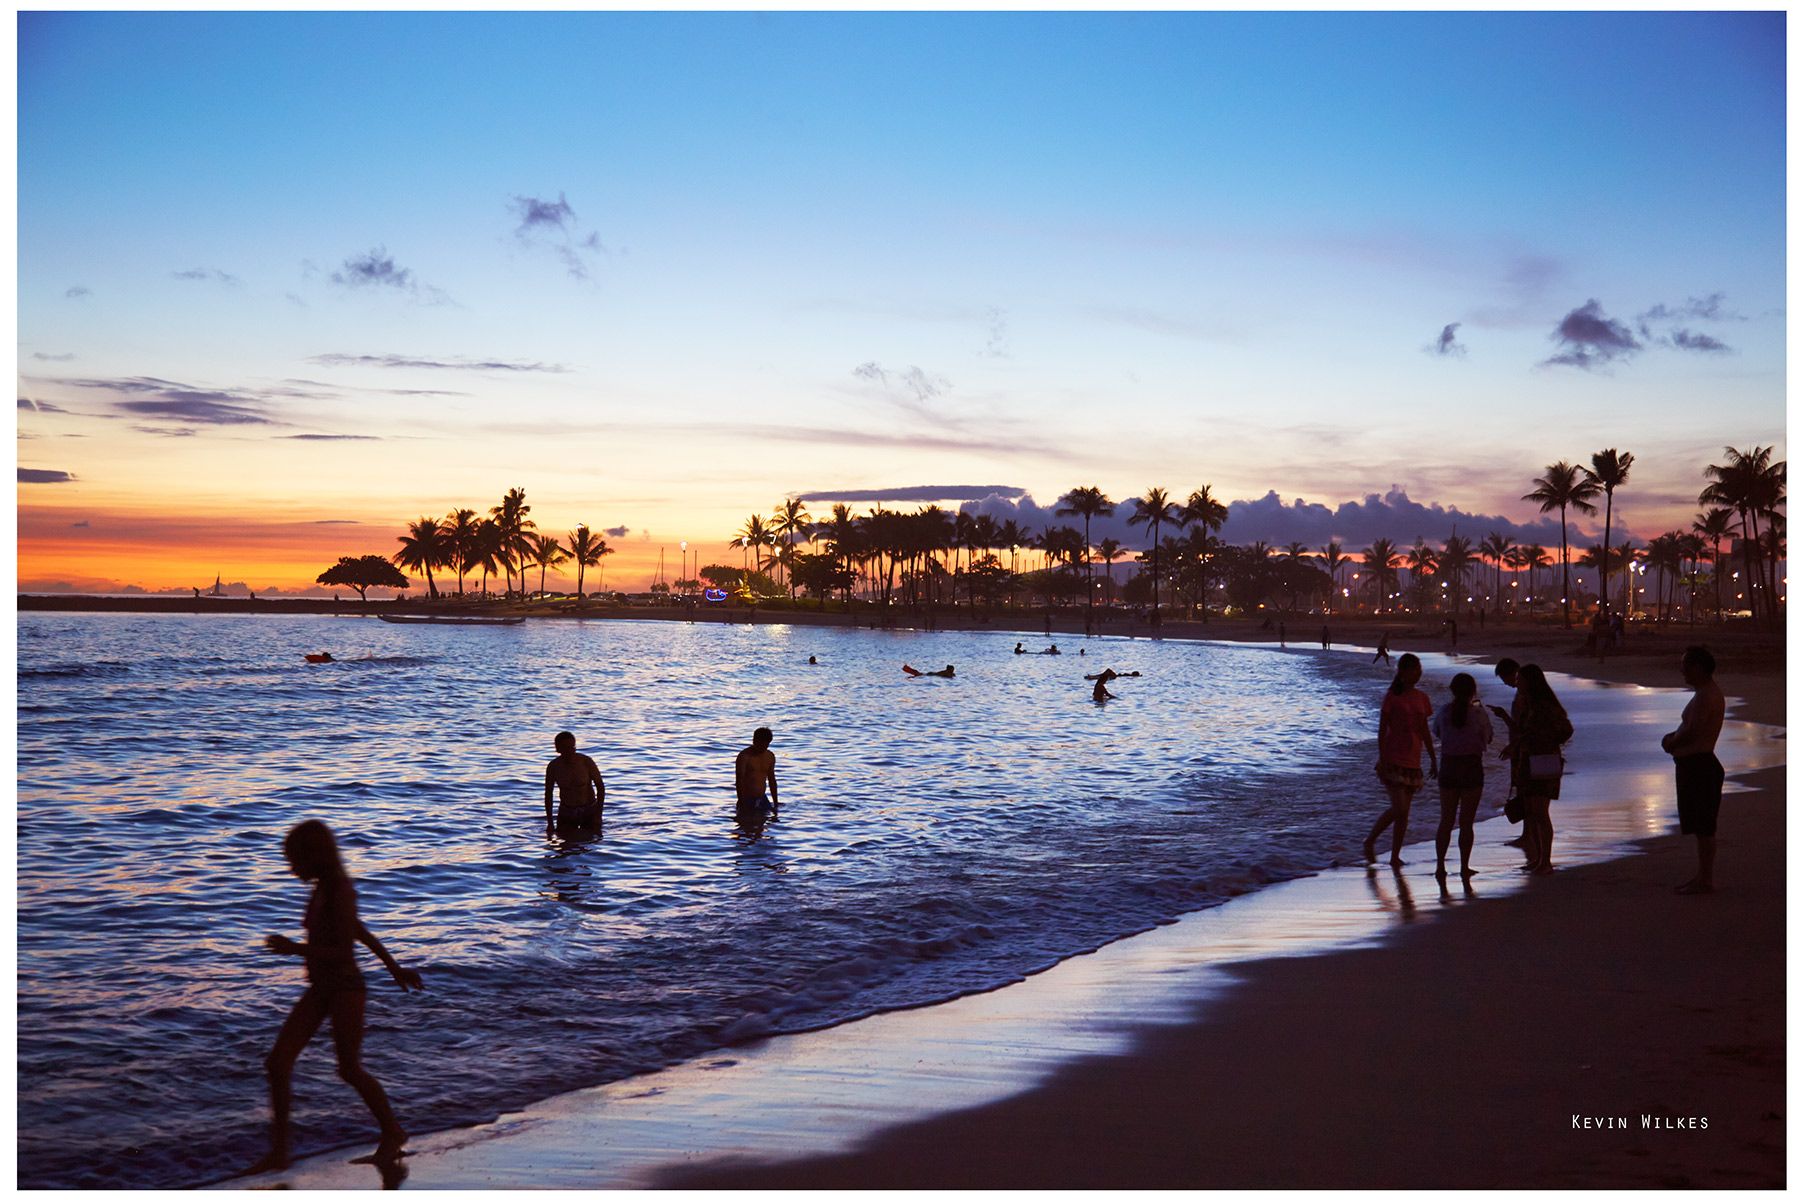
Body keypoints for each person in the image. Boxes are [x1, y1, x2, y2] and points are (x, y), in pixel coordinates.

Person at [252, 820, 423, 1173]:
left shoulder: (340, 889)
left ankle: (393, 1130)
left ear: (314, 856)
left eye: (295, 860)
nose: (291, 868)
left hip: (345, 988)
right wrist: (394, 967)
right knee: (278, 1063)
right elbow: (358, 929)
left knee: (348, 1068)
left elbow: (343, 950)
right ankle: (279, 1152)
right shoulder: (325, 888)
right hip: (322, 989)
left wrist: (294, 949)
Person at [1661, 645, 1726, 894]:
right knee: (1702, 827)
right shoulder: (1705, 693)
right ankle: (1703, 876)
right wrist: (1674, 739)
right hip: (1696, 764)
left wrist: (1671, 742)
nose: (1682, 671)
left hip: (1700, 765)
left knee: (1704, 827)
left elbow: (1692, 731)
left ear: (1698, 668)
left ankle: (1705, 879)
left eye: (1686, 666)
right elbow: (1691, 728)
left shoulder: (1706, 695)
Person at [1363, 653, 1436, 868]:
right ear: (1403, 672)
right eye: (1415, 669)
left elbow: (1424, 730)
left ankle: (1395, 856)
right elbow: (1382, 729)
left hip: (1413, 758)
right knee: (1399, 808)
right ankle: (1370, 841)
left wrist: (1433, 757)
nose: (1418, 673)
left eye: (1419, 669)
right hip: (1393, 756)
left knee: (1404, 813)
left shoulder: (1422, 697)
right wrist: (1382, 756)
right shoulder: (1392, 697)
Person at [1432, 672, 1494, 878]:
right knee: (1466, 823)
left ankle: (1440, 866)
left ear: (1452, 690)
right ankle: (1464, 866)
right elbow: (1488, 738)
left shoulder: (1444, 712)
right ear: (1473, 691)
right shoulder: (1478, 714)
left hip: (1449, 765)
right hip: (1471, 766)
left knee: (1446, 821)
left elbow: (1437, 732)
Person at [1513, 665, 1574, 874]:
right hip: (1529, 759)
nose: (1517, 683)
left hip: (1544, 760)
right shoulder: (1528, 703)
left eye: (1520, 679)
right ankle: (1539, 858)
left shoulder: (1544, 705)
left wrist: (1548, 743)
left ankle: (1545, 861)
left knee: (1540, 811)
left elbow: (1566, 729)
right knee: (1532, 811)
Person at [544, 731, 604, 833]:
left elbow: (600, 787)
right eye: (565, 748)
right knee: (563, 841)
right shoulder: (553, 767)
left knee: (591, 840)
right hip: (566, 811)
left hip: (589, 810)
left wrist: (598, 815)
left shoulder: (586, 762)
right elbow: (548, 794)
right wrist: (550, 823)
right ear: (558, 749)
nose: (570, 751)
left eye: (572, 747)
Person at [734, 727, 779, 817]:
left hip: (762, 798)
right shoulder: (744, 756)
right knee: (747, 823)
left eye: (766, 745)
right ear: (754, 741)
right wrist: (742, 803)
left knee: (766, 823)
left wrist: (775, 802)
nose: (763, 748)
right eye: (760, 744)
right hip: (747, 799)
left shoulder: (770, 756)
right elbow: (739, 781)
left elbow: (772, 780)